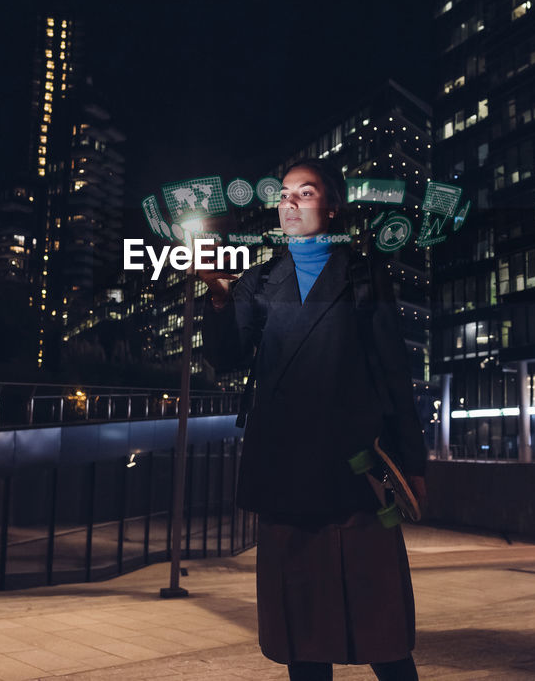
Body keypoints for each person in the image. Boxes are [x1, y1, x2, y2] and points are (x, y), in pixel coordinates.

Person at [200, 158, 428, 681]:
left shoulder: (364, 272)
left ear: (332, 206)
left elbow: (393, 372)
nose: (290, 203)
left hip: (355, 467)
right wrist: (217, 295)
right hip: (283, 471)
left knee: (382, 621)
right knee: (300, 632)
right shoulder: (258, 279)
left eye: (305, 193)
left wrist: (412, 463)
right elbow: (229, 356)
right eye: (283, 194)